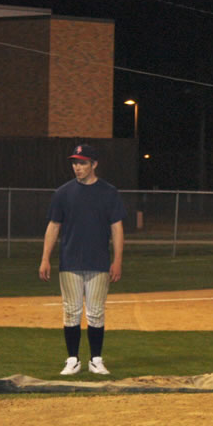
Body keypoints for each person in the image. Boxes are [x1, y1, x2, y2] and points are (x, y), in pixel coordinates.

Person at [39, 143, 125, 375]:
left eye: (83, 163)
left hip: (98, 262)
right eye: (75, 163)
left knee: (96, 312)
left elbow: (117, 228)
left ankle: (96, 359)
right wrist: (45, 258)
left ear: (94, 164)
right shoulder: (63, 193)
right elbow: (53, 226)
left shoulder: (109, 192)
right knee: (71, 311)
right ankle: (73, 359)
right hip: (70, 262)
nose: (77, 167)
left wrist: (117, 260)